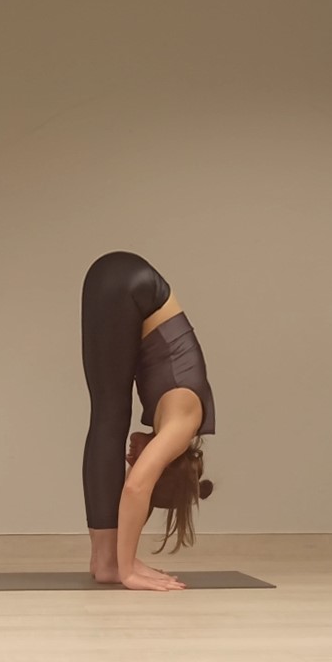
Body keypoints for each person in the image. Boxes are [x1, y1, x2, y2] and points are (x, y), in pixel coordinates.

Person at [81, 251, 215, 592]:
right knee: (110, 417)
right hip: (130, 283)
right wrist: (129, 571)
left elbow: (136, 486)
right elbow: (135, 489)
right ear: (163, 464)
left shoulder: (174, 416)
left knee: (107, 415)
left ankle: (102, 558)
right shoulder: (182, 425)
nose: (130, 461)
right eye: (137, 464)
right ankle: (113, 563)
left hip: (119, 278)